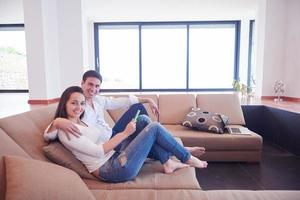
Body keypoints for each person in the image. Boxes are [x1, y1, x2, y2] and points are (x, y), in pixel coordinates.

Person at [47, 86, 208, 183]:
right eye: (73, 103)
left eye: (81, 103)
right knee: (154, 128)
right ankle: (186, 156)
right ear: (64, 103)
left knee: (144, 120)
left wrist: (57, 121)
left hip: (114, 156)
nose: (79, 107)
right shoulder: (65, 129)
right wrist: (56, 122)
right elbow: (97, 151)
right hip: (112, 169)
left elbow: (120, 103)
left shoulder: (79, 121)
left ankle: (169, 162)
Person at [44, 70, 206, 156]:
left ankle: (175, 149)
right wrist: (56, 122)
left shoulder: (99, 100)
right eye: (90, 85)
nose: (93, 89)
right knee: (148, 129)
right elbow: (48, 135)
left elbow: (122, 101)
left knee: (138, 111)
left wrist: (148, 100)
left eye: (97, 86)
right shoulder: (77, 106)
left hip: (113, 133)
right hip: (110, 143)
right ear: (82, 83)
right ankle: (177, 150)